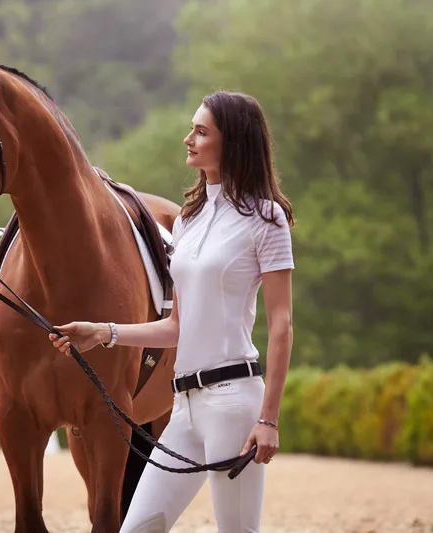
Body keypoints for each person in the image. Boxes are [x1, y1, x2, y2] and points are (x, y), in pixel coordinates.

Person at [49, 90, 294, 533]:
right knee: (137, 527)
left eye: (201, 131)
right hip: (184, 405)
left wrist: (268, 420)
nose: (188, 139)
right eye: (192, 129)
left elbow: (282, 326)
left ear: (233, 142)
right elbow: (176, 326)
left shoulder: (266, 219)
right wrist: (103, 332)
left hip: (234, 402)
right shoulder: (188, 219)